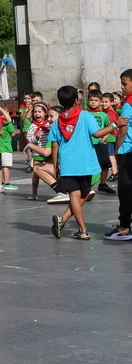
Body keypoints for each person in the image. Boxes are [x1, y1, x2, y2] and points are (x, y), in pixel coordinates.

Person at [49, 86, 115, 240]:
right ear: (76, 100)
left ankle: (66, 222)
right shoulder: (85, 116)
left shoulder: (58, 122)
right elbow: (97, 134)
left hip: (68, 163)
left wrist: (55, 165)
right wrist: (114, 125)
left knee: (76, 195)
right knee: (83, 194)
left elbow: (54, 145)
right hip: (85, 162)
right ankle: (81, 229)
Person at [104, 69, 132, 241]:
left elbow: (123, 130)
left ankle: (124, 227)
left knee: (125, 190)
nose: (122, 87)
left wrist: (116, 150)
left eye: (124, 84)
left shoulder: (128, 104)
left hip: (127, 151)